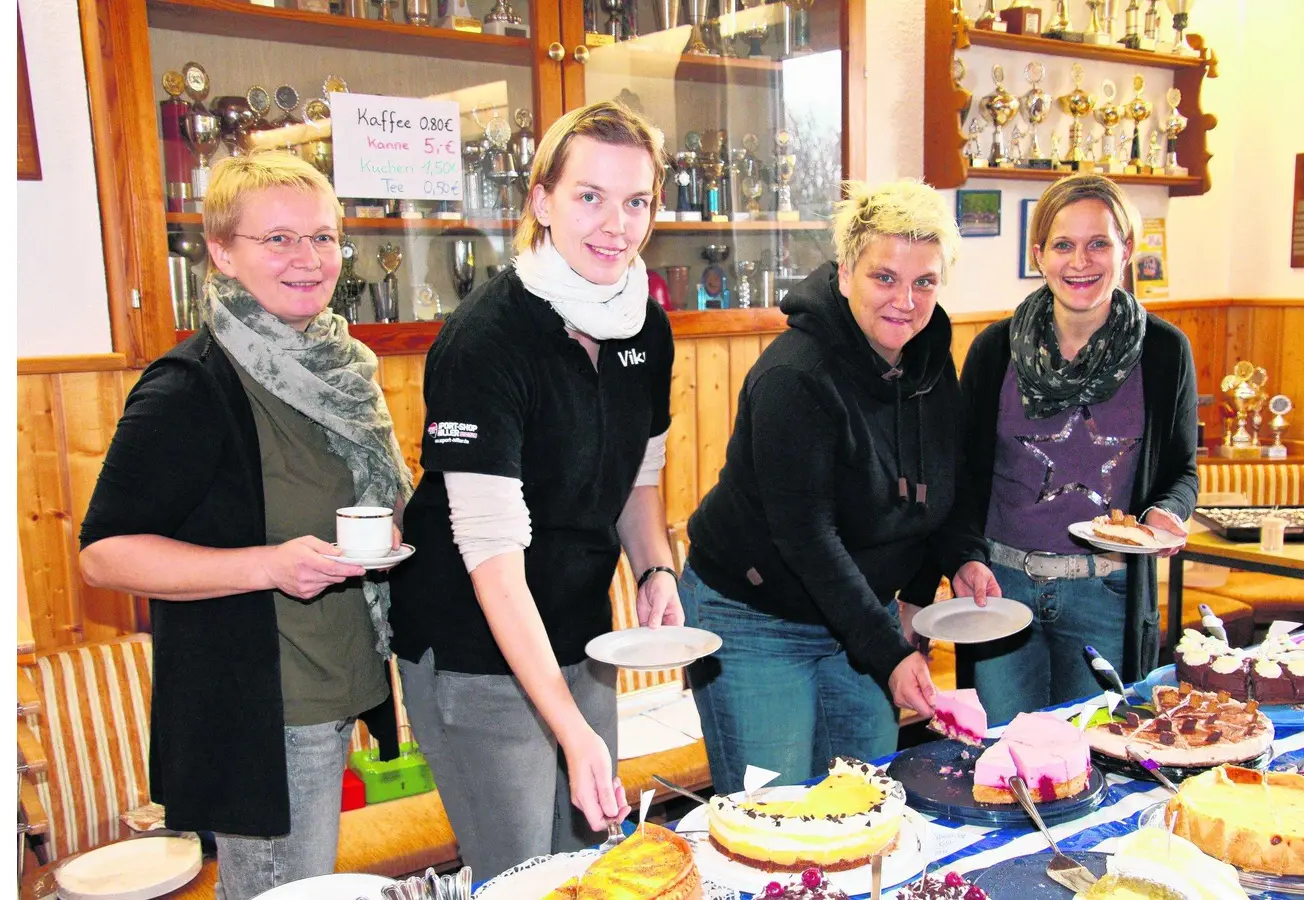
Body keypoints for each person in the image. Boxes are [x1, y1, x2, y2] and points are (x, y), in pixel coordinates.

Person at [78, 151, 414, 899]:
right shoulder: (192, 385)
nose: (309, 258)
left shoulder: (341, 369)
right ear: (223, 253)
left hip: (334, 691)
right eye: (280, 240)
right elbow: (103, 556)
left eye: (324, 237)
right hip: (266, 720)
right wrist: (264, 566)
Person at [387, 101, 679, 877]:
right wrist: (572, 729)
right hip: (474, 644)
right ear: (541, 202)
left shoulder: (645, 325)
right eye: (590, 196)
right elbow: (490, 554)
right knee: (521, 874)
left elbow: (638, 472)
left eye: (636, 201)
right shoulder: (486, 340)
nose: (616, 224)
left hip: (580, 632)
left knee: (593, 867)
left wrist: (653, 566)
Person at [678, 179, 978, 793]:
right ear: (845, 274)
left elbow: (938, 487)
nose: (905, 300)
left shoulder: (929, 359)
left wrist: (957, 562)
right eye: (885, 277)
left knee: (866, 797)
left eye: (924, 282)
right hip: (754, 613)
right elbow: (806, 537)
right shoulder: (795, 375)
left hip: (855, 615)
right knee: (775, 811)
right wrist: (891, 652)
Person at [950, 173, 1198, 724]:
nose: (1079, 261)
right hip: (1001, 589)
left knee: (1097, 752)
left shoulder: (1164, 352)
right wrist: (965, 556)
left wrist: (1165, 512)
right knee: (1003, 757)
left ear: (1126, 250)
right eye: (1063, 244)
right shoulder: (994, 349)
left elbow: (1182, 470)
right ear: (1038, 253)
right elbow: (964, 475)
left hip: (1106, 591)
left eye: (1099, 243)